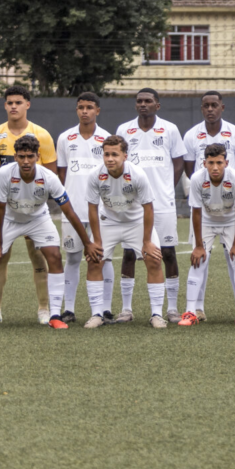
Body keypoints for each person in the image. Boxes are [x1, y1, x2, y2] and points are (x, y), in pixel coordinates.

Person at [0, 136, 100, 330]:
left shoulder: (49, 178)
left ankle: (55, 315)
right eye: (22, 156)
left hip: (38, 219)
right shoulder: (4, 173)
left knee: (54, 256)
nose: (26, 161)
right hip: (10, 219)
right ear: (15, 157)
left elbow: (69, 211)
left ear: (38, 156)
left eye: (30, 156)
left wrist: (87, 243)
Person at [0, 85, 58, 324]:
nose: (14, 106)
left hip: (35, 210)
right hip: (5, 210)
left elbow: (52, 173)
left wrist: (34, 201)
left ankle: (44, 309)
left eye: (18, 102)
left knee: (39, 259)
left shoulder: (43, 135)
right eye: (10, 102)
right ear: (5, 105)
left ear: (27, 104)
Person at [115, 88, 185, 323]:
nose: (143, 104)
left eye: (148, 101)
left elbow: (178, 164)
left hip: (163, 203)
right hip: (132, 204)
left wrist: (166, 187)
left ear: (157, 105)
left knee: (167, 252)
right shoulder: (124, 130)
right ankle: (126, 309)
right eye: (139, 101)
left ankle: (172, 309)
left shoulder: (170, 129)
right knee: (129, 253)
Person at [84, 135, 165, 328]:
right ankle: (97, 314)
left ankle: (156, 314)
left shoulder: (137, 174)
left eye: (115, 154)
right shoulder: (95, 175)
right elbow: (92, 209)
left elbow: (148, 207)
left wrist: (147, 241)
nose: (110, 159)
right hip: (108, 222)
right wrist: (95, 241)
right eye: (106, 154)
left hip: (136, 222)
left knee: (154, 259)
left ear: (125, 156)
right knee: (95, 260)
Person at [179, 144, 235, 326]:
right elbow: (195, 212)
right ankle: (190, 312)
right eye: (211, 163)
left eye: (219, 162)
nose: (215, 167)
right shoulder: (196, 179)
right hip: (206, 220)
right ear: (204, 163)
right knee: (198, 261)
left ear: (226, 162)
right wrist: (198, 246)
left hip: (230, 221)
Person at [55, 92, 111, 324]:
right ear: (76, 110)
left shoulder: (107, 138)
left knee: (103, 259)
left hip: (102, 211)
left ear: (97, 110)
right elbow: (62, 172)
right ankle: (69, 309)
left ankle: (105, 309)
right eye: (81, 107)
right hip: (74, 210)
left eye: (89, 107)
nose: (85, 111)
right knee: (73, 258)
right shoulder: (65, 138)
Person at [183, 90, 235, 177]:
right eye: (206, 106)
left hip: (228, 188)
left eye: (214, 105)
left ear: (222, 107)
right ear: (201, 109)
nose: (210, 109)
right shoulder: (190, 135)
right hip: (203, 189)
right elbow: (189, 169)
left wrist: (233, 184)